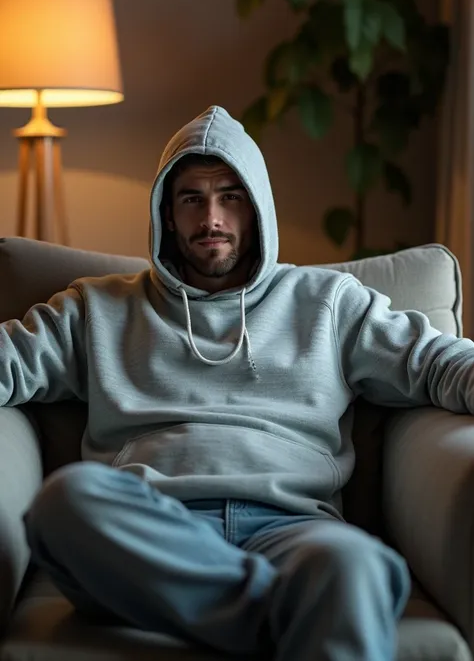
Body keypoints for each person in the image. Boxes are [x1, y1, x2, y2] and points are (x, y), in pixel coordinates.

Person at [3, 105, 471, 661]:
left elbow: (440, 363)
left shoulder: (329, 302)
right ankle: (294, 613)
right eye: (191, 199)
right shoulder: (97, 307)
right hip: (152, 534)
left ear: (257, 210)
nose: (212, 219)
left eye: (231, 196)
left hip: (293, 529)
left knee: (351, 563)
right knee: (66, 503)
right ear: (165, 215)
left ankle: (255, 605)